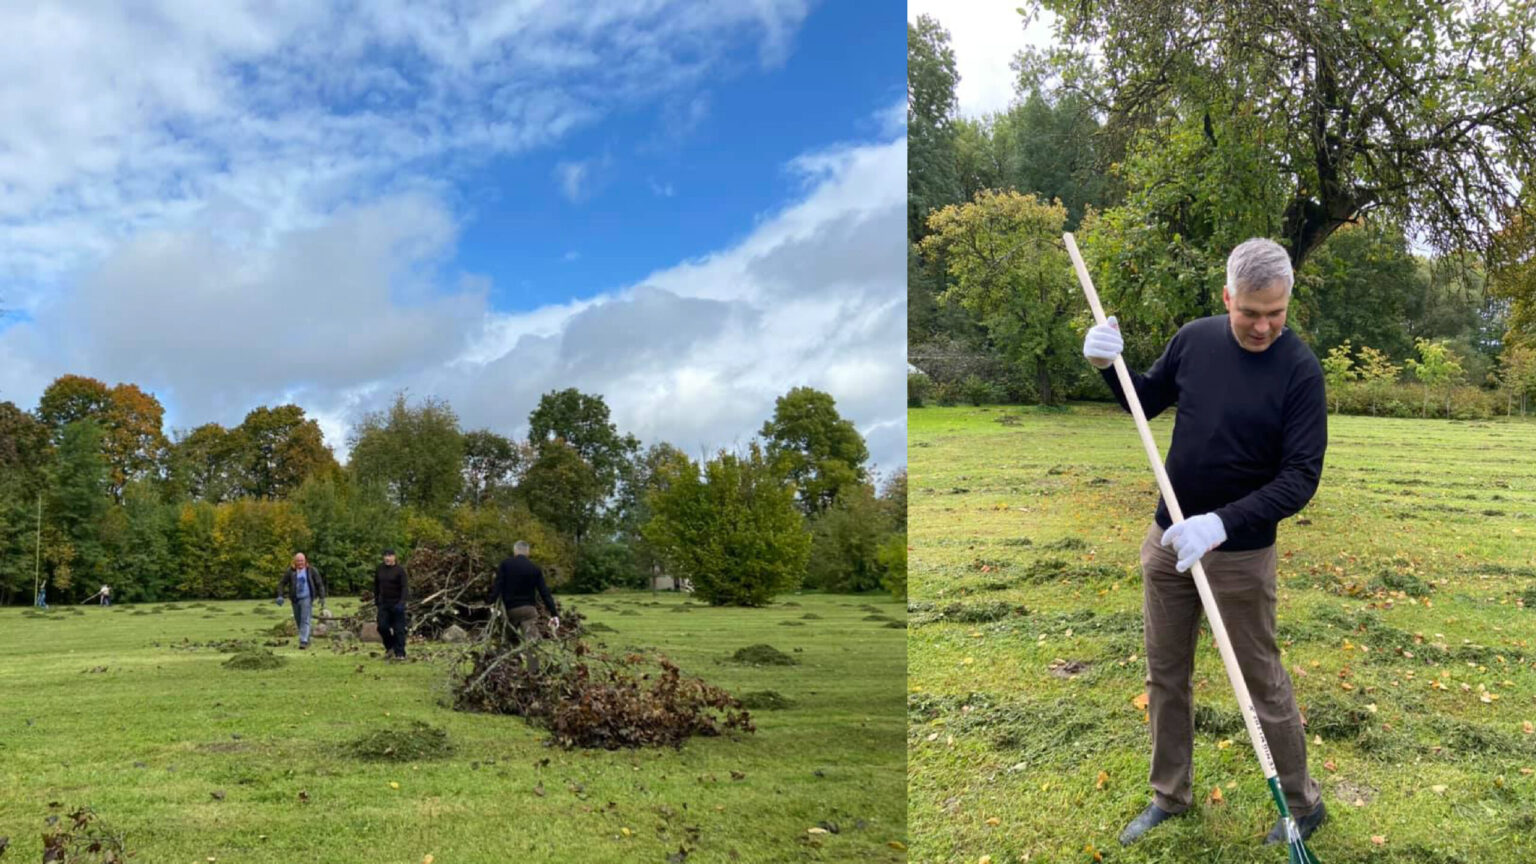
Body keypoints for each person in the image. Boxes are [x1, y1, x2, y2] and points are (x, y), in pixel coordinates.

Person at [1082, 237, 1328, 847]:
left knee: (1261, 679)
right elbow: (1143, 401)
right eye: (1251, 312)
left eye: (1276, 312)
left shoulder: (1300, 370)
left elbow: (1300, 479)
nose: (1264, 325)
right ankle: (1171, 795)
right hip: (1167, 541)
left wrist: (1221, 523)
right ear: (1228, 298)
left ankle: (1302, 804)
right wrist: (1109, 368)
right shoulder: (1194, 340)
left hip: (1240, 555)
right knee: (1166, 674)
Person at [488, 541, 560, 672]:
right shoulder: (534, 568)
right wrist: (554, 614)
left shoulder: (505, 564)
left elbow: (498, 585)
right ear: (528, 552)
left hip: (510, 610)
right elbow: (545, 592)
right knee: (532, 643)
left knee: (507, 641)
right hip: (529, 611)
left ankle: (506, 670)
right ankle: (533, 673)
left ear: (515, 551)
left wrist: (491, 603)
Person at [275, 552, 328, 650]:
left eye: (302, 561)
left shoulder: (311, 570)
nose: (300, 563)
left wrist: (322, 597)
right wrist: (280, 595)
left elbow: (319, 584)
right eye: (298, 561)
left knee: (305, 619)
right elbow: (282, 583)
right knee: (298, 620)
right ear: (294, 562)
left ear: (305, 561)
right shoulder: (290, 571)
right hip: (295, 598)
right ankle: (307, 639)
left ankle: (303, 641)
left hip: (307, 598)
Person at [374, 548, 409, 661]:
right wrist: (377, 601)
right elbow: (376, 586)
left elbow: (404, 588)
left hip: (397, 603)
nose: (387, 558)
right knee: (382, 627)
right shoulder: (380, 569)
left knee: (399, 630)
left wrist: (402, 603)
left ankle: (400, 653)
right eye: (385, 556)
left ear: (394, 557)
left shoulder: (400, 571)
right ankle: (390, 647)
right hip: (384, 603)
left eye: (389, 556)